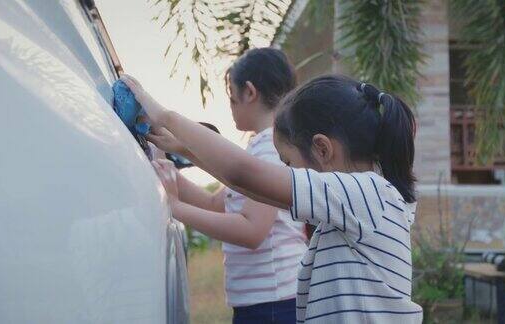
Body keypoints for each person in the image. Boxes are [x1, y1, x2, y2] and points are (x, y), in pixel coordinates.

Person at [122, 73, 424, 323]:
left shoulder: (367, 194)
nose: (284, 171)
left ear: (322, 149)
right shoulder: (356, 203)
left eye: (288, 163)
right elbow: (252, 187)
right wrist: (186, 150)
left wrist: (165, 116)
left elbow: (246, 173)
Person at [146, 48, 308, 323]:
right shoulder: (260, 147)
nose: (230, 107)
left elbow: (252, 231)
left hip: (274, 303)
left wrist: (175, 208)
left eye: (231, 98)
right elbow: (213, 204)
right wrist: (166, 172)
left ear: (249, 92)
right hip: (263, 301)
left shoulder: (271, 147)